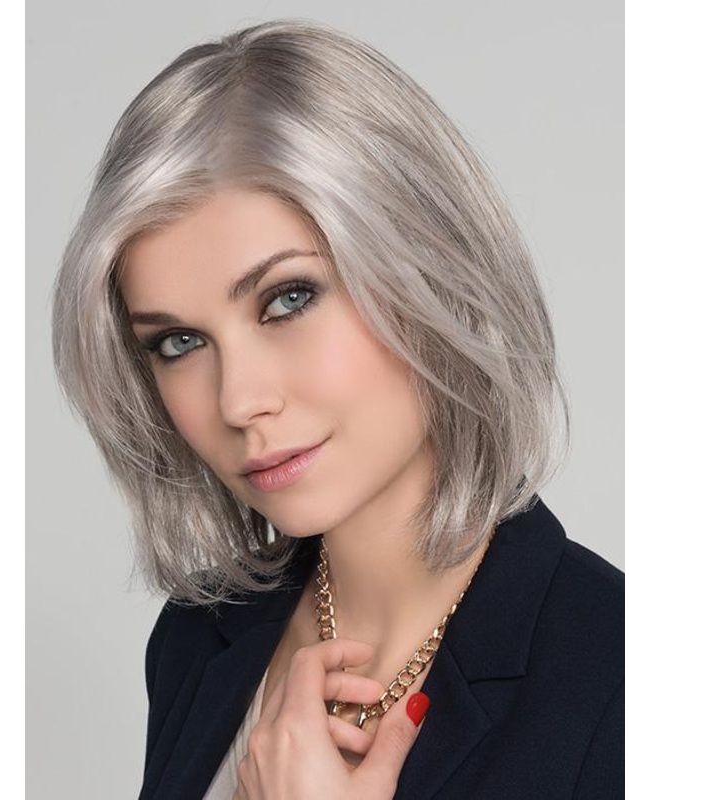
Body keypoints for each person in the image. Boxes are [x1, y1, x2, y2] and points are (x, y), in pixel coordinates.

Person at [52, 19, 624, 800]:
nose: (239, 400)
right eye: (180, 343)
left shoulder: (622, 685)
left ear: (429, 269)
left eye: (288, 299)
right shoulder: (198, 638)